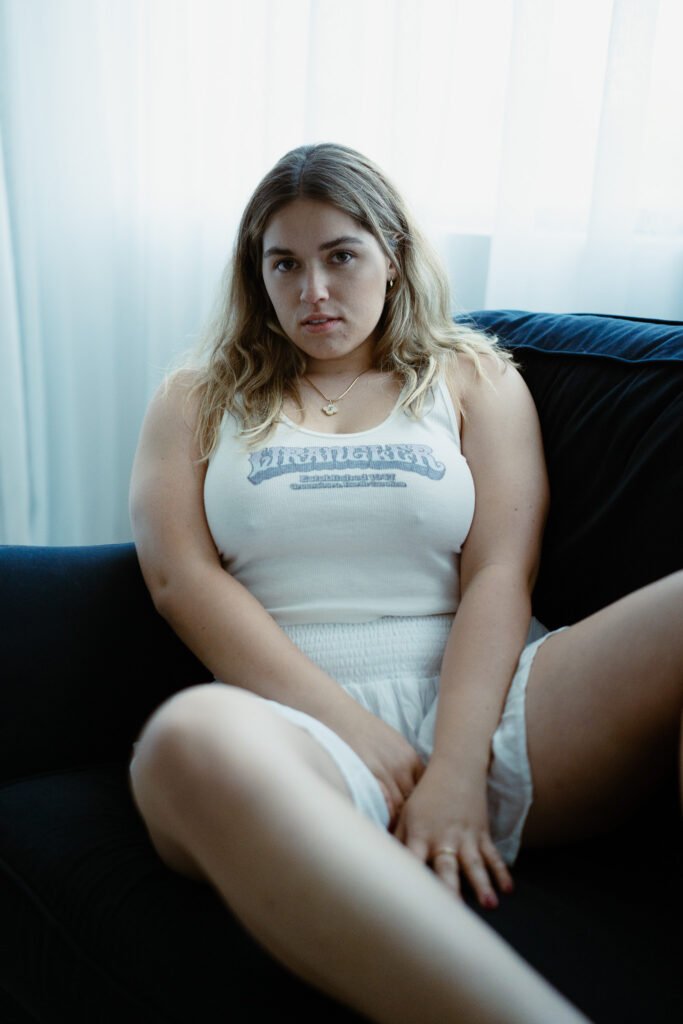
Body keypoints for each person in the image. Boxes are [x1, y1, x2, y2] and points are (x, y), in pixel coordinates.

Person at [128, 142, 682, 1024]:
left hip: (494, 703)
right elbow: (180, 581)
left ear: (391, 257)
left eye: (340, 256)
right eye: (285, 264)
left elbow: (499, 570)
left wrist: (457, 767)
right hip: (297, 733)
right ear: (256, 275)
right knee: (181, 740)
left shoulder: (475, 374)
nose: (314, 290)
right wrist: (361, 736)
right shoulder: (194, 396)